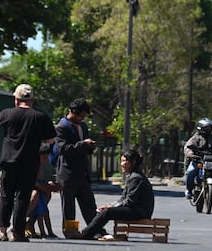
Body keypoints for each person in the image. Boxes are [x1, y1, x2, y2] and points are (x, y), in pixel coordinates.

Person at [0, 83, 56, 242]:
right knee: (22, 197)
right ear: (32, 100)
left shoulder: (8, 114)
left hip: (9, 161)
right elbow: (51, 139)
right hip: (29, 163)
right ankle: (17, 233)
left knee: (6, 195)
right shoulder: (40, 117)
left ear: (16, 99)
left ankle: (2, 231)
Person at [69, 149, 154, 240]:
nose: (122, 164)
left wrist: (110, 208)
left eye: (126, 161)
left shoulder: (136, 178)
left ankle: (85, 234)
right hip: (137, 210)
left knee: (107, 212)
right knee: (105, 210)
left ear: (133, 162)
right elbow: (123, 199)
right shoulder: (134, 176)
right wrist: (110, 205)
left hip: (140, 212)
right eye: (122, 161)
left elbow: (129, 201)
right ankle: (95, 232)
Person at [55, 98, 98, 235]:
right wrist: (83, 144)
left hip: (82, 173)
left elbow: (85, 148)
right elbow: (63, 149)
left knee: (89, 204)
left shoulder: (83, 126)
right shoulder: (61, 127)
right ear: (73, 112)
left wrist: (90, 147)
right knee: (68, 206)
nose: (82, 119)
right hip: (68, 174)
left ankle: (95, 230)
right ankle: (70, 230)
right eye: (81, 116)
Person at [184, 117, 212, 201]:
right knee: (190, 172)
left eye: (209, 127)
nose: (208, 129)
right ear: (200, 127)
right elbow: (188, 147)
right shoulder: (195, 138)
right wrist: (190, 153)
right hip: (198, 161)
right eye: (206, 127)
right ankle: (189, 191)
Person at [25, 143, 61, 238]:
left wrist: (48, 184)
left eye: (46, 158)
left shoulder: (40, 166)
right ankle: (43, 232)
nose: (45, 160)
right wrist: (43, 188)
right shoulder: (34, 166)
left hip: (41, 191)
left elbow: (42, 180)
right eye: (44, 158)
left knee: (46, 212)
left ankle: (50, 231)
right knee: (40, 214)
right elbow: (34, 182)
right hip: (37, 191)